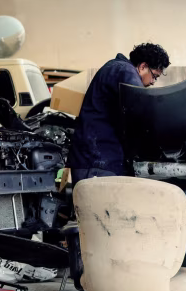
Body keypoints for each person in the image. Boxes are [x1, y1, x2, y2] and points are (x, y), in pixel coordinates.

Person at [68, 43, 170, 186]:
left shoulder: (115, 68)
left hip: (95, 160)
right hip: (97, 163)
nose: (153, 82)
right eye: (154, 76)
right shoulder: (126, 72)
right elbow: (142, 110)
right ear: (142, 67)